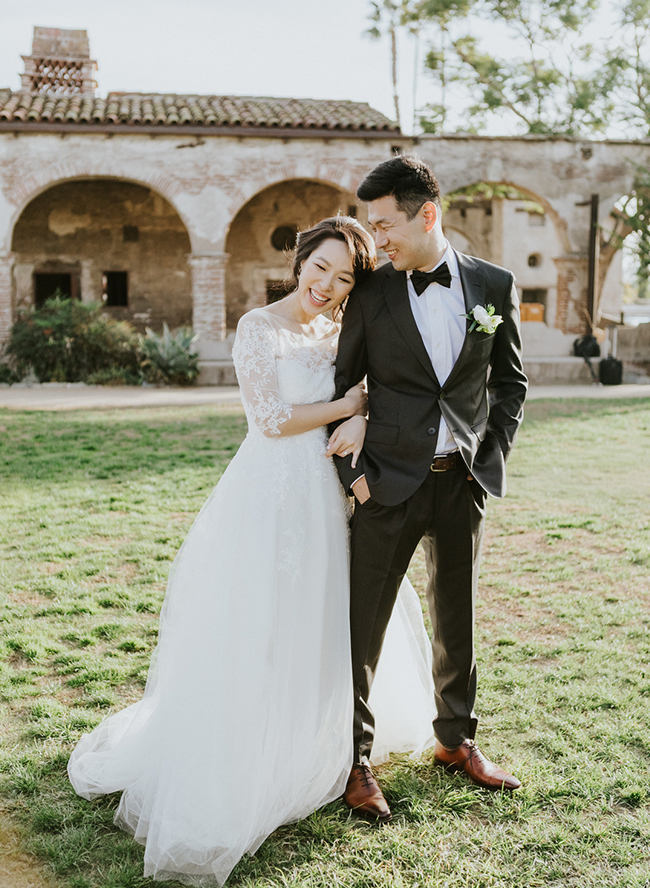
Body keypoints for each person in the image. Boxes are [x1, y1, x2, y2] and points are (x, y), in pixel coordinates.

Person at [68, 216, 437, 887]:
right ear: (301, 261)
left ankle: (321, 745)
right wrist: (345, 403)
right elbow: (269, 421)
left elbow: (383, 385)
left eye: (344, 277)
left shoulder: (343, 329)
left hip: (329, 494)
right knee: (261, 620)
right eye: (320, 267)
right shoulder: (258, 327)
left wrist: (362, 409)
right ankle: (247, 751)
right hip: (271, 493)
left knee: (327, 618)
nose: (326, 286)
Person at [329, 156, 528, 822]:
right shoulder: (372, 295)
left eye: (385, 225)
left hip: (459, 484)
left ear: (427, 215)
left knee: (457, 618)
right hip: (385, 487)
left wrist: (487, 457)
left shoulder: (494, 286)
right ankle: (355, 763)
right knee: (363, 628)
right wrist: (354, 481)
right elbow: (338, 394)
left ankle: (456, 742)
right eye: (372, 226)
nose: (376, 239)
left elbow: (509, 385)